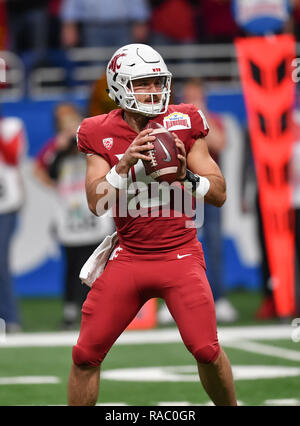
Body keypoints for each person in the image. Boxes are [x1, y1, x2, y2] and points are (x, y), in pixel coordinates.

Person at [68, 44, 237, 406]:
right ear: (119, 86)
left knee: (206, 350)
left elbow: (220, 193)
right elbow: (97, 203)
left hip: (181, 256)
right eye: (143, 83)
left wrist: (186, 176)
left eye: (157, 82)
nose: (153, 91)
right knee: (84, 356)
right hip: (129, 259)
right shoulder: (98, 131)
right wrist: (123, 166)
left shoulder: (184, 119)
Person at [34, 103, 114, 329]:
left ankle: (100, 308)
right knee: (72, 266)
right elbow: (49, 171)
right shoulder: (56, 147)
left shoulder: (94, 142)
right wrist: (61, 148)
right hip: (69, 213)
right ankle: (70, 311)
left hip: (94, 211)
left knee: (99, 263)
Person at [0, 114, 26, 333]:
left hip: (5, 205)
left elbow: (11, 156)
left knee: (0, 261)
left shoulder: (11, 125)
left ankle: (9, 318)